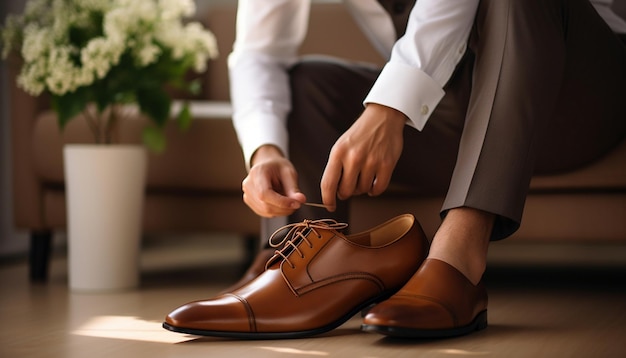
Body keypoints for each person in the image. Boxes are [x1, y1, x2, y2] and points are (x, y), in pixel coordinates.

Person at [163, 0, 626, 339]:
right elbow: (259, 52)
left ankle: (457, 259)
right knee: (306, 86)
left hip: (572, 87)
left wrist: (389, 109)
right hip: (456, 100)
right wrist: (265, 151)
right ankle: (302, 274)